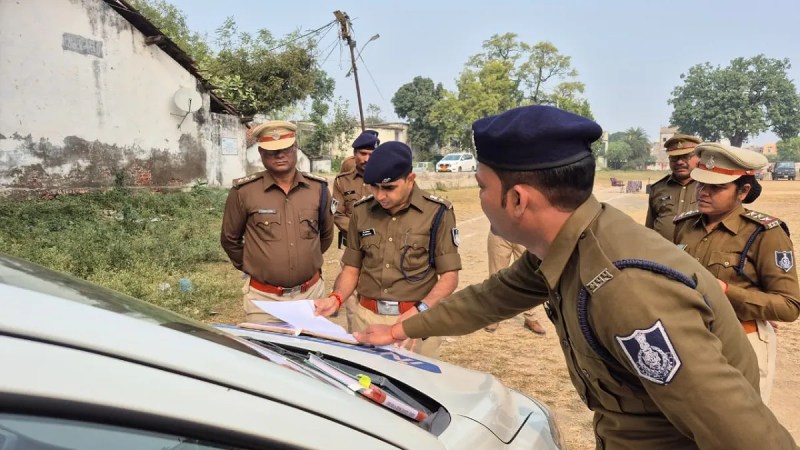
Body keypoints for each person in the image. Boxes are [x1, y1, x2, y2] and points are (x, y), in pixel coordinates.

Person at [353, 106, 797, 449]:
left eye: (483, 186)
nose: (482, 199)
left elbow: (742, 431)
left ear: (518, 199)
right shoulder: (573, 240)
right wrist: (398, 329)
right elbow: (492, 298)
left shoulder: (626, 290)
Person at [673, 142, 800, 405]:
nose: (703, 193)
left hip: (742, 342)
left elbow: (789, 306)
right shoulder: (685, 226)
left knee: (739, 429)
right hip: (687, 339)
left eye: (716, 187)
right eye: (701, 184)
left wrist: (727, 292)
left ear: (742, 191)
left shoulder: (766, 234)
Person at [314, 141, 461, 358]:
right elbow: (352, 268)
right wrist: (335, 298)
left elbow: (449, 277)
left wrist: (419, 312)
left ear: (410, 179)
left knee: (413, 386)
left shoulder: (437, 212)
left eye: (389, 187)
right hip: (367, 319)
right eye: (374, 187)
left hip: (416, 322)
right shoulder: (361, 211)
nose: (380, 195)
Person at [220, 120, 334, 323]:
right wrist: (254, 265)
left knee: (309, 352)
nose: (280, 155)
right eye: (272, 151)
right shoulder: (244, 192)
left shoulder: (319, 189)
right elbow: (230, 239)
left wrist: (305, 260)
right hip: (264, 300)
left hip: (311, 295)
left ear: (295, 149)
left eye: (285, 149)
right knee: (266, 353)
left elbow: (325, 235)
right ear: (262, 153)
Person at [332, 130, 380, 329]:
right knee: (351, 291)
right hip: (351, 245)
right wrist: (359, 233)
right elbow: (337, 214)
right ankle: (355, 334)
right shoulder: (343, 181)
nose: (366, 159)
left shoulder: (386, 179)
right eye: (362, 153)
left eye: (371, 154)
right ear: (354, 154)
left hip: (380, 245)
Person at [484, 230, 547, 335]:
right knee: (496, 276)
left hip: (526, 232)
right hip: (499, 232)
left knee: (529, 276)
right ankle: (494, 315)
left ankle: (530, 317)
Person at [645, 134, 702, 240]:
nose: (679, 162)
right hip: (662, 253)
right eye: (674, 158)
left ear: (699, 157)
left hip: (694, 255)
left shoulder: (708, 187)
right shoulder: (658, 188)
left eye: (686, 157)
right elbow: (649, 227)